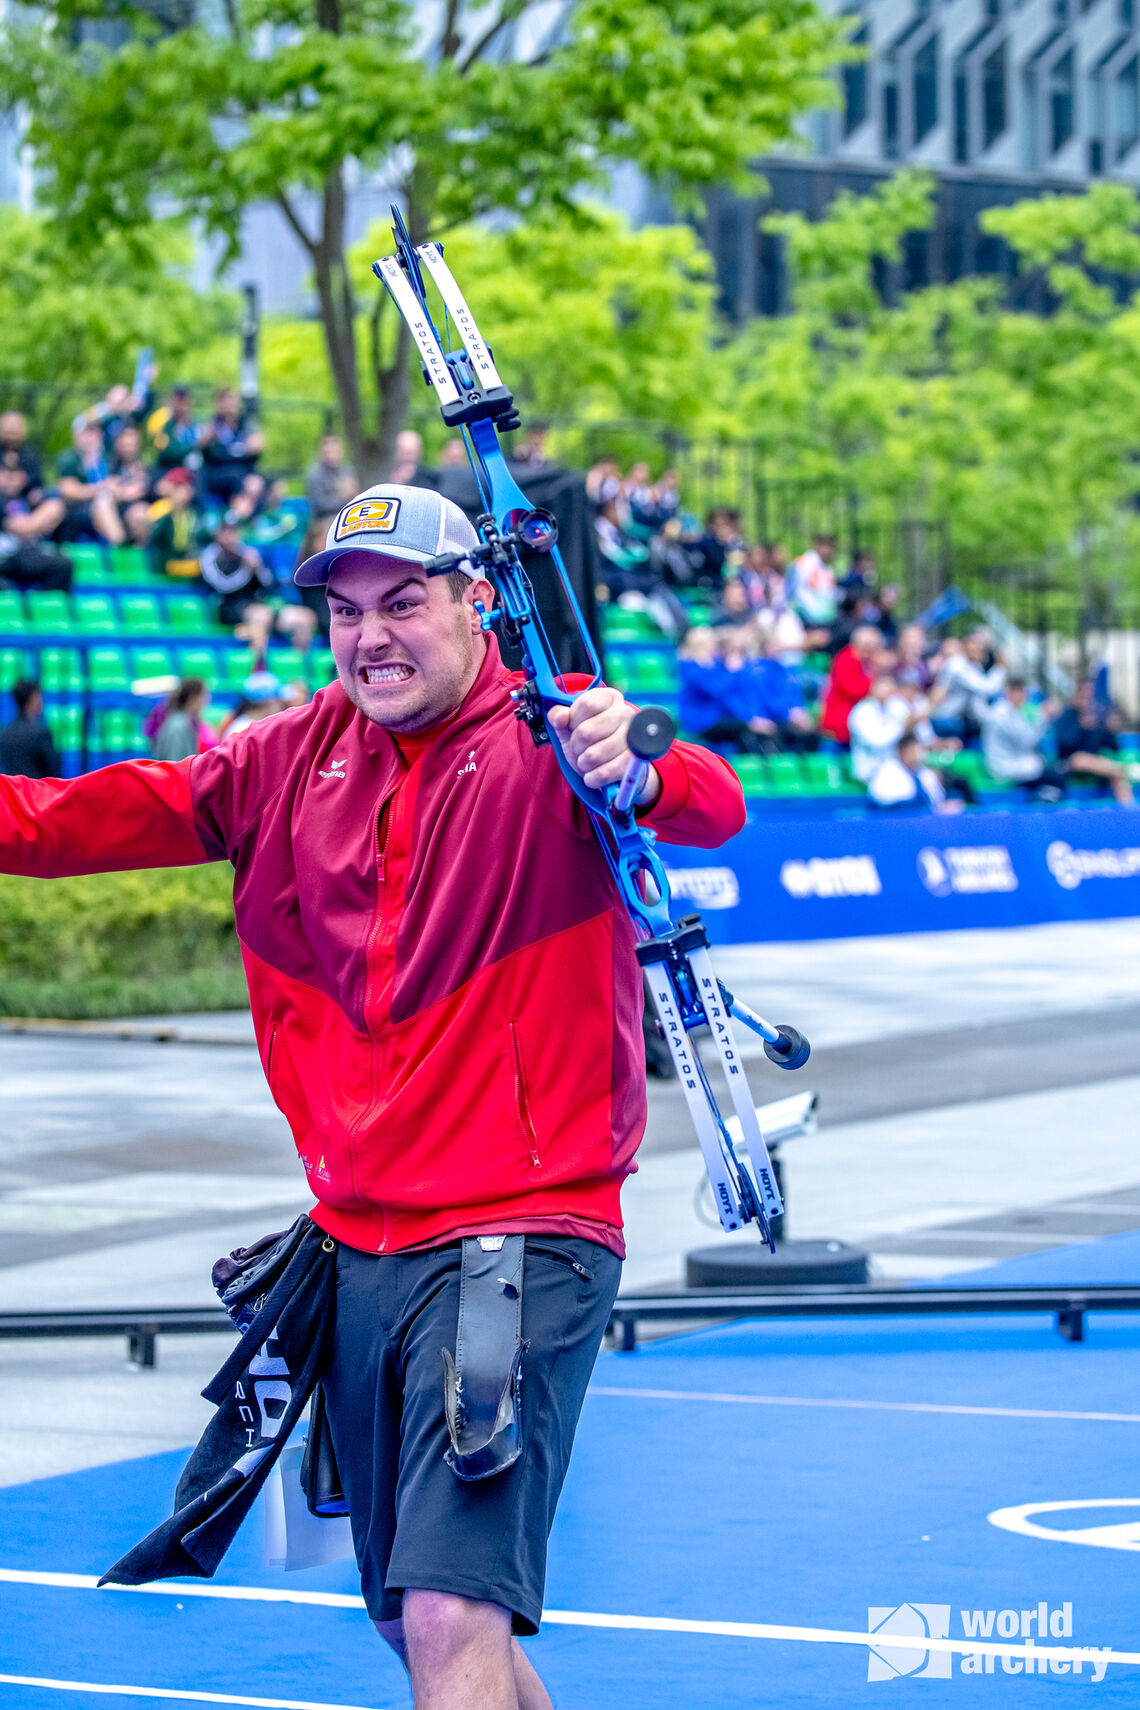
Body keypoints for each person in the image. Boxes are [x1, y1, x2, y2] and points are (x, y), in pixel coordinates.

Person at [0, 481, 743, 1710]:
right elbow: (71, 820)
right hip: (355, 1245)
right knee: (424, 1623)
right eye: (345, 612)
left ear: (479, 601)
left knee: (455, 1609)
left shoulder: (554, 741)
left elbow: (713, 803)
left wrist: (642, 762)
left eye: (403, 601)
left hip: (525, 1229)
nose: (370, 635)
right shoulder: (277, 759)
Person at [199, 520, 317, 654]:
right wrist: (245, 570)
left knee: (305, 617)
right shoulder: (211, 554)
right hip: (230, 607)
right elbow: (222, 585)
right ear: (218, 534)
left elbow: (268, 584)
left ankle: (299, 664)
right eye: (226, 532)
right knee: (261, 617)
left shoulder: (246, 552)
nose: (230, 536)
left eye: (234, 532)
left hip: (258, 605)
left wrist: (258, 567)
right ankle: (258, 667)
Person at [1051, 678, 1136, 805]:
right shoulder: (1068, 716)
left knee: (1117, 771)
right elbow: (1065, 744)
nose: (1087, 698)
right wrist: (1082, 728)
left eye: (1090, 694)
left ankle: (1128, 806)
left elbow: (1113, 747)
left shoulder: (1096, 719)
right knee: (1080, 758)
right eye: (1084, 694)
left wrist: (1112, 729)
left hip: (1095, 763)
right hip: (1068, 762)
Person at [981, 678, 1065, 798]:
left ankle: (1045, 798)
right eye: (1018, 692)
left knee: (1052, 771)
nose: (1022, 696)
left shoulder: (1015, 712)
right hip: (1003, 767)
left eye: (1023, 692)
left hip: (1016, 762)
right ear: (1008, 693)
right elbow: (1026, 741)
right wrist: (1043, 715)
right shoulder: (1000, 714)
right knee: (1055, 778)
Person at [0, 465, 71, 591]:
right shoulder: (2, 499)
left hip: (30, 550)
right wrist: (42, 517)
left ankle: (48, 606)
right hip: (9, 556)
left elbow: (45, 526)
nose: (13, 479)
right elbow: (17, 527)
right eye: (8, 475)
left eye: (16, 474)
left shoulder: (26, 498)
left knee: (64, 562)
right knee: (61, 566)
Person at [55, 421, 126, 545]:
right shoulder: (70, 458)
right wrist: (101, 488)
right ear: (77, 436)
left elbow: (118, 486)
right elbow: (68, 491)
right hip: (77, 510)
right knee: (103, 501)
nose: (90, 438)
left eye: (94, 433)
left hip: (112, 505)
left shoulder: (108, 459)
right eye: (86, 433)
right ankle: (118, 543)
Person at [931, 630, 1005, 742]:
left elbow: (978, 704)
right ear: (966, 646)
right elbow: (987, 687)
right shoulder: (956, 664)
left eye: (982, 646)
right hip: (946, 721)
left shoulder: (975, 667)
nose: (981, 649)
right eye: (976, 644)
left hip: (963, 722)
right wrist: (1000, 668)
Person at [200, 387, 265, 505]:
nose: (229, 404)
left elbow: (255, 451)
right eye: (224, 400)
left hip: (243, 471)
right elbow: (216, 455)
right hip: (219, 474)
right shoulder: (212, 427)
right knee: (242, 481)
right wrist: (243, 450)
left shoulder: (246, 425)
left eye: (232, 399)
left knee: (269, 484)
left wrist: (254, 448)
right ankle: (236, 518)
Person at [820, 624, 882, 745]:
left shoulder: (866, 663)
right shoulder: (845, 660)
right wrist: (873, 684)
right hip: (839, 726)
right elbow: (852, 689)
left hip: (856, 728)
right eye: (868, 647)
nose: (871, 652)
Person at [869, 732, 959, 813]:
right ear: (901, 751)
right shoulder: (888, 770)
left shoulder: (925, 773)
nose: (918, 754)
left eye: (920, 750)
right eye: (914, 750)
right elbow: (883, 802)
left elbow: (936, 802)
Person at [0, 679, 61, 779]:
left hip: (12, 793)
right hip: (36, 792)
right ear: (34, 699)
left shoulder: (3, 734)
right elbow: (53, 774)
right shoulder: (41, 734)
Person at [148, 469, 200, 579]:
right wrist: (173, 510)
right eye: (178, 487)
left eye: (185, 487)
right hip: (165, 562)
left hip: (184, 560)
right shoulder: (161, 508)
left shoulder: (193, 513)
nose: (183, 491)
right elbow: (154, 537)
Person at [150, 677, 213, 761]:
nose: (207, 700)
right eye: (204, 695)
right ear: (192, 697)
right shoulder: (178, 725)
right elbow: (174, 762)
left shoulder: (187, 721)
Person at [306, 433, 356, 521]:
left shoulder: (346, 469)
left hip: (347, 516)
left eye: (335, 449)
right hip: (324, 520)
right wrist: (345, 499)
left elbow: (353, 492)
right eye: (329, 450)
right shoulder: (315, 473)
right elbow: (319, 504)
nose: (332, 453)